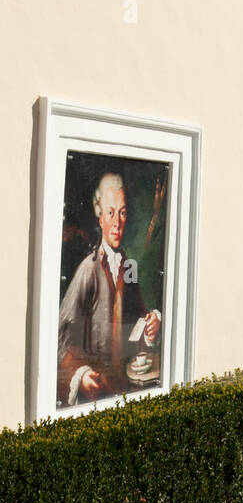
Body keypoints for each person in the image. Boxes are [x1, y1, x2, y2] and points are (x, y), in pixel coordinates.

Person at [57, 173, 161, 407]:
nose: (117, 222)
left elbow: (136, 317)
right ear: (100, 218)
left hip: (126, 386)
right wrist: (80, 374)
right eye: (111, 213)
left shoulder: (129, 265)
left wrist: (151, 324)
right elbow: (60, 335)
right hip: (98, 392)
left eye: (122, 213)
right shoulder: (88, 269)